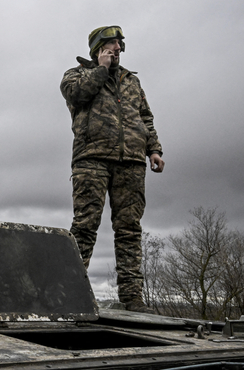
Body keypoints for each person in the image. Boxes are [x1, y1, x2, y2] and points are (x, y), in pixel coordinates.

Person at [59, 26, 164, 313]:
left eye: (120, 44)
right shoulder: (77, 74)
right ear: (98, 49)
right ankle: (71, 293)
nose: (118, 48)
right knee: (85, 226)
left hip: (131, 161)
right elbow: (77, 96)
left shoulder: (131, 81)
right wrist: (101, 70)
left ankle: (132, 297)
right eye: (112, 44)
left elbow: (145, 117)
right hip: (91, 158)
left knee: (129, 229)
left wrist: (154, 149)